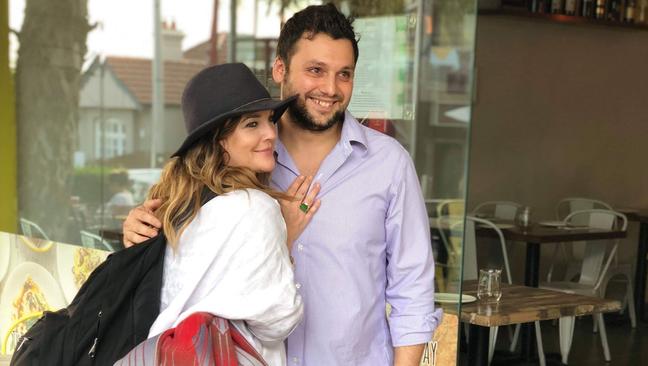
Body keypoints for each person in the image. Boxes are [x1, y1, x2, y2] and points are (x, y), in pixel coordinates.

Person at [123, 4, 440, 365]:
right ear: (279, 69)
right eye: (316, 70)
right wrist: (140, 230)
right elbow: (182, 263)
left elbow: (412, 291)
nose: (331, 89)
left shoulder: (389, 164)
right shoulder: (240, 163)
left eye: (344, 74)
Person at [141, 63, 319, 365]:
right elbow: (279, 320)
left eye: (270, 120)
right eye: (252, 124)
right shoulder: (256, 208)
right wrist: (284, 242)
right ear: (218, 139)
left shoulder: (173, 205)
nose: (270, 134)